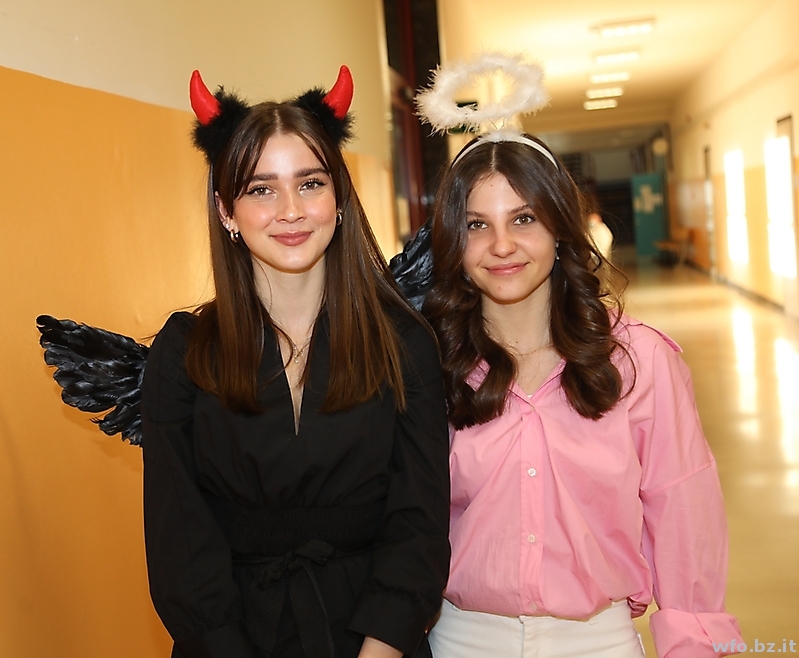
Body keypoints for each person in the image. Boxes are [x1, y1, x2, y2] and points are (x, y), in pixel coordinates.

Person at [140, 68, 450, 658]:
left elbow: (420, 523)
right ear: (226, 210)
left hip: (377, 638)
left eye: (310, 184)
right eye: (261, 189)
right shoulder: (184, 352)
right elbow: (179, 538)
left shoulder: (403, 343)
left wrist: (381, 648)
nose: (291, 211)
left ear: (339, 198)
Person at [421, 133, 743, 657]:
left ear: (560, 227)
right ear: (453, 240)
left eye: (524, 219)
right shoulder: (431, 362)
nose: (501, 245)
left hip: (598, 641)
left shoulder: (637, 359)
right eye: (477, 225)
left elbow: (684, 512)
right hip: (460, 640)